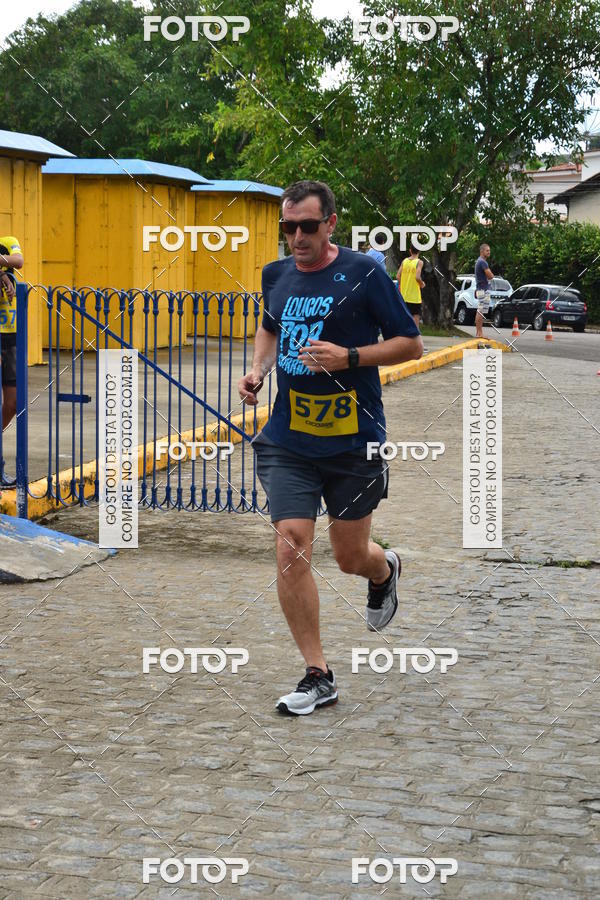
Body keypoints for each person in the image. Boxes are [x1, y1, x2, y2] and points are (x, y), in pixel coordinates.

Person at [238, 180, 423, 716]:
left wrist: (350, 357)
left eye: (307, 226)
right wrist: (258, 370)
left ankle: (382, 570)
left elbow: (410, 343)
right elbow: (269, 329)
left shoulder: (365, 272)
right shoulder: (276, 275)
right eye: (288, 227)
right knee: (291, 544)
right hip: (289, 439)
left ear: (331, 224)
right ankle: (318, 675)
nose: (296, 236)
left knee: (349, 557)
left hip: (353, 441)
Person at [0, 236, 24, 487]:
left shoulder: (7, 241)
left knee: (13, 403)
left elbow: (18, 261)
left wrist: (4, 273)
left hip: (11, 336)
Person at [396, 244, 425, 329]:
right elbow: (417, 277)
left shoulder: (404, 261)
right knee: (415, 321)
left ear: (410, 251)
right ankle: (415, 336)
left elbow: (398, 276)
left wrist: (404, 285)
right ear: (419, 251)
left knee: (403, 320)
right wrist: (422, 284)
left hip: (404, 296)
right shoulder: (419, 262)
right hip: (414, 297)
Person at [474, 243, 494, 339]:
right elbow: (490, 276)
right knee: (480, 311)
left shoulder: (479, 261)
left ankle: (478, 333)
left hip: (480, 288)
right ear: (482, 251)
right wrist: (491, 275)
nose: (489, 252)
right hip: (483, 289)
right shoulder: (482, 262)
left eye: (489, 250)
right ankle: (479, 334)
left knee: (481, 310)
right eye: (487, 250)